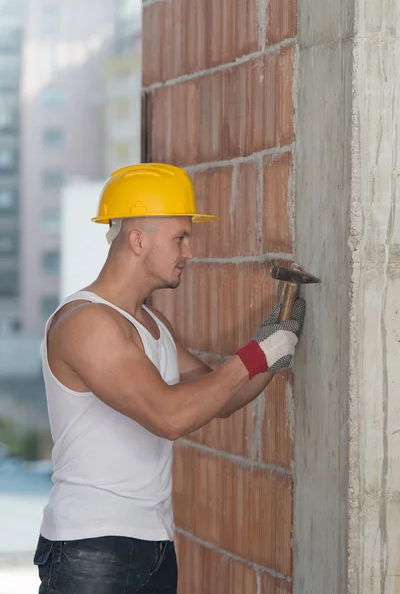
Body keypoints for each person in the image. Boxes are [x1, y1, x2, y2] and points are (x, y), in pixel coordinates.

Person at [34, 163, 305, 594]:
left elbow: (220, 396)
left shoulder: (151, 324)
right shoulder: (86, 324)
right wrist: (257, 354)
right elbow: (169, 416)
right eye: (180, 237)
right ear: (137, 239)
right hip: (92, 546)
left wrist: (275, 344)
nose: (189, 251)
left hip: (153, 543)